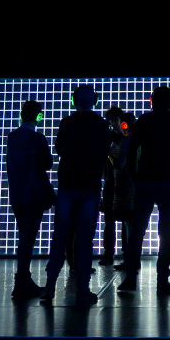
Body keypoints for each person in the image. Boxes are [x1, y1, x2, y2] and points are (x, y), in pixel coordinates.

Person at [118, 86, 170, 296]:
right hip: (168, 183)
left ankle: (131, 278)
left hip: (145, 182)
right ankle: (162, 280)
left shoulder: (144, 120)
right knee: (166, 231)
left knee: (137, 231)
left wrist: (135, 176)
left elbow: (133, 149)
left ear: (152, 100)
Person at [43, 85, 110, 304]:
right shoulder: (101, 125)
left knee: (60, 237)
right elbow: (104, 152)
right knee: (85, 240)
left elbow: (59, 148)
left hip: (67, 186)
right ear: (95, 100)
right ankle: (82, 289)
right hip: (90, 187)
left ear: (74, 100)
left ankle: (50, 288)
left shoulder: (67, 122)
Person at [5, 100, 54, 299]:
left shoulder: (12, 137)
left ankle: (22, 280)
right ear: (39, 116)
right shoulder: (37, 138)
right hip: (33, 195)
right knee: (28, 238)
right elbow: (47, 164)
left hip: (16, 194)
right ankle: (22, 280)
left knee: (23, 237)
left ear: (21, 115)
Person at [98, 106, 125, 266]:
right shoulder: (119, 138)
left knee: (120, 221)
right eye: (112, 122)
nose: (114, 124)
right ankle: (111, 254)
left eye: (116, 121)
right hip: (112, 183)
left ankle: (113, 255)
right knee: (113, 221)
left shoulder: (117, 138)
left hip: (118, 183)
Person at [110, 112, 137, 271]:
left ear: (124, 125)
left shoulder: (126, 141)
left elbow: (119, 164)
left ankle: (130, 260)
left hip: (125, 188)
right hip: (134, 188)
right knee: (131, 226)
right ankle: (132, 259)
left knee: (128, 226)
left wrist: (109, 154)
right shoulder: (138, 141)